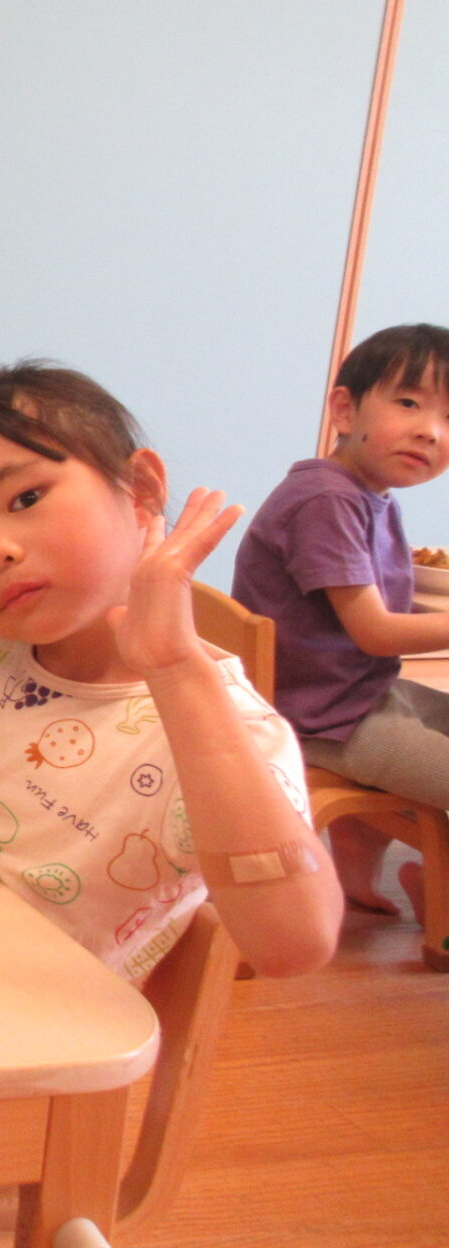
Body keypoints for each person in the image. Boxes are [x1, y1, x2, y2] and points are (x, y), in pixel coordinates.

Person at [0, 362, 339, 983]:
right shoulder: (5, 656)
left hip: (35, 1017)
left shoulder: (221, 726)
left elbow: (295, 944)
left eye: (26, 499)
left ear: (140, 490)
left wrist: (178, 671)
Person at [232, 323, 449, 918]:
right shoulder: (327, 500)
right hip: (326, 718)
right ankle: (440, 893)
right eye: (409, 403)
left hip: (343, 694)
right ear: (345, 409)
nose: (430, 431)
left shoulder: (362, 493)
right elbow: (376, 632)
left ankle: (360, 851)